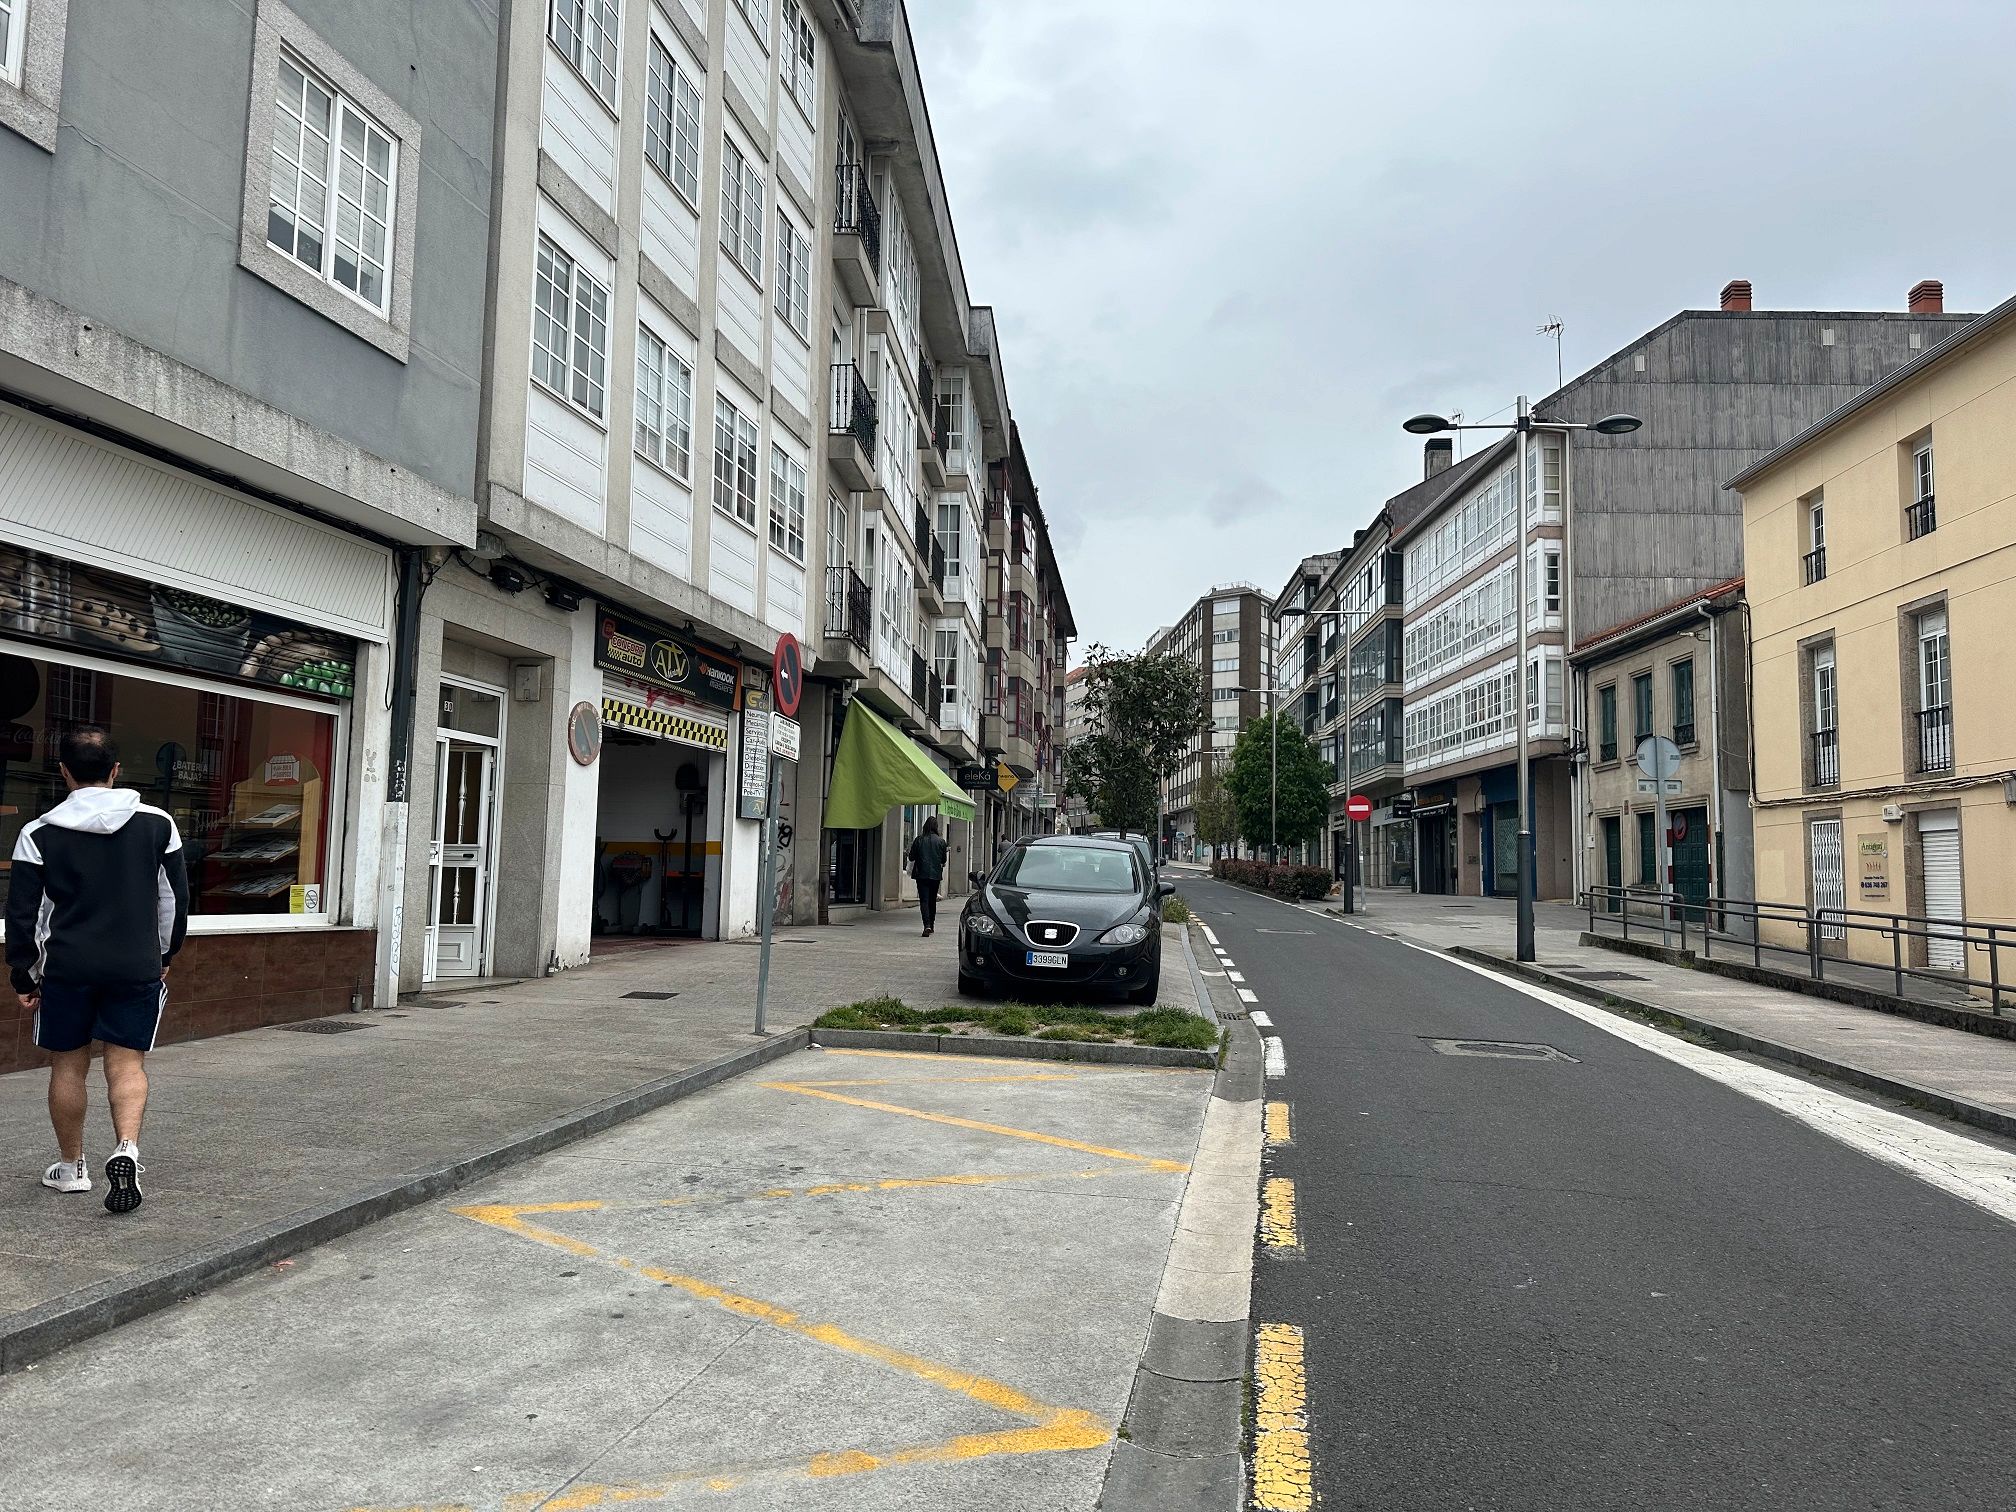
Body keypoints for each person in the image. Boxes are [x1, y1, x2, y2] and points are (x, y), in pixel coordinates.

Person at [6, 726, 188, 1214]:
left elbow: (22, 914)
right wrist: (164, 956)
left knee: (68, 1064)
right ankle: (126, 1148)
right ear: (115, 770)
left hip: (68, 967)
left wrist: (24, 973)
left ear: (63, 772)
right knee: (127, 1064)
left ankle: (71, 1168)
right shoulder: (158, 825)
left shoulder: (38, 833)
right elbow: (173, 901)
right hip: (134, 966)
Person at [907, 815, 948, 937]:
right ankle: (932, 924)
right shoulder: (941, 841)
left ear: (925, 826)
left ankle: (927, 925)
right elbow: (943, 860)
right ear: (936, 827)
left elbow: (911, 857)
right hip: (935, 875)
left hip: (921, 874)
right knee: (932, 900)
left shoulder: (919, 840)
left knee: (924, 900)